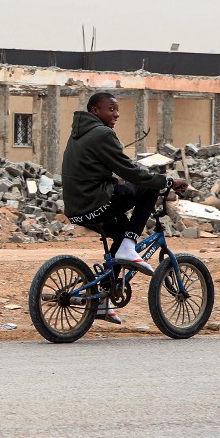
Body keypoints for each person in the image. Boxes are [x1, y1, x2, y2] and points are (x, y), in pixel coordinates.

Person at [61, 91, 188, 324]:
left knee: (120, 231)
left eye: (117, 109)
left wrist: (115, 179)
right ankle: (130, 246)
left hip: (76, 209)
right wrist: (166, 181)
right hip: (95, 204)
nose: (117, 114)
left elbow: (94, 170)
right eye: (111, 109)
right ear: (95, 111)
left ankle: (102, 301)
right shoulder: (103, 134)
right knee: (148, 188)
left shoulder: (79, 134)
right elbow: (131, 171)